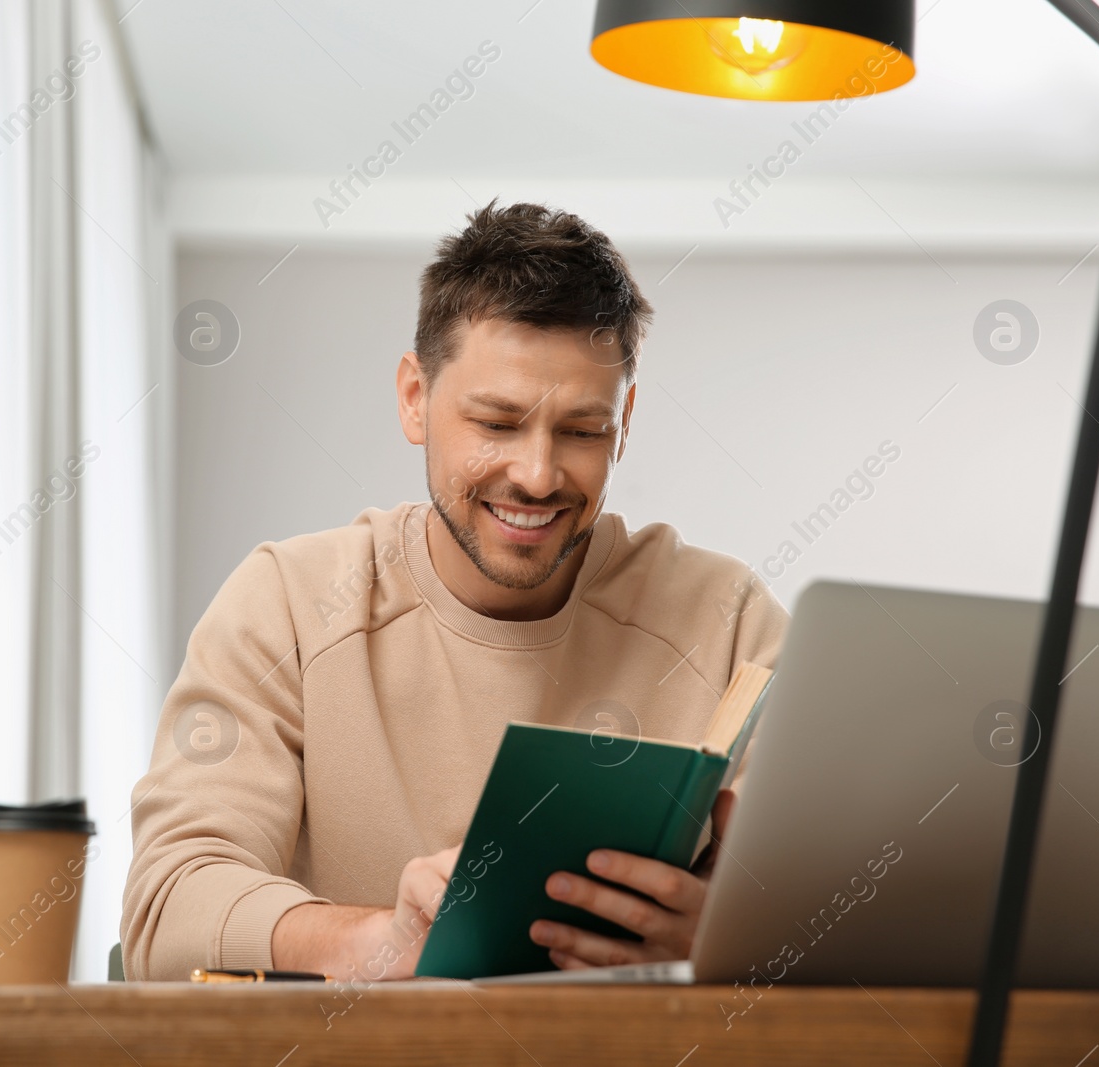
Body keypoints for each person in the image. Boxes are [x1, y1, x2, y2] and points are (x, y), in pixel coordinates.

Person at [121, 200, 788, 982]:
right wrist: (376, 939)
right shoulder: (289, 605)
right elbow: (167, 907)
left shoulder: (728, 620)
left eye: (581, 430)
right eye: (498, 423)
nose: (538, 475)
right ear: (415, 397)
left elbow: (843, 903)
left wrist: (726, 934)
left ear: (624, 420)